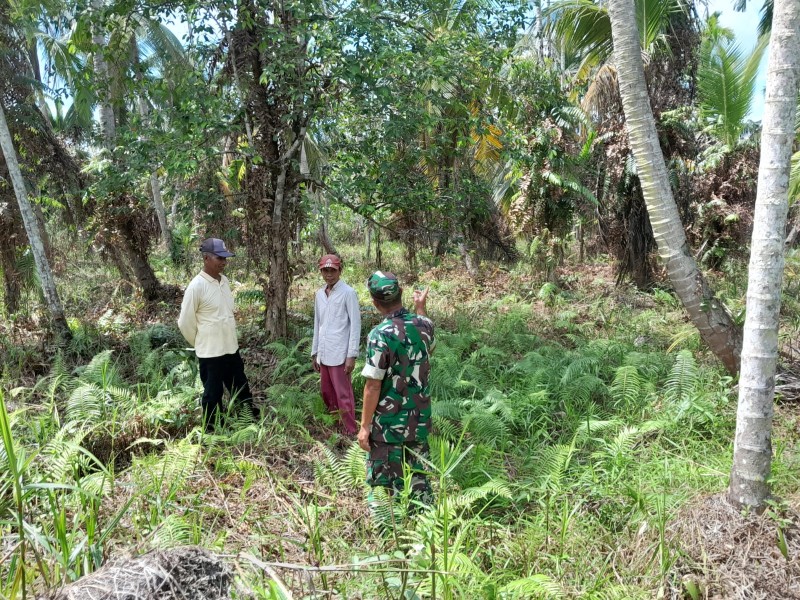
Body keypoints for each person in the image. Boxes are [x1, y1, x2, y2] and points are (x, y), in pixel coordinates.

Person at [359, 271, 435, 499]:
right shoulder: (425, 325)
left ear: (375, 302)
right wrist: (420, 309)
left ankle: (390, 529)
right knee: (419, 481)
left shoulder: (379, 335)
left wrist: (365, 426)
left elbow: (373, 386)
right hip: (419, 419)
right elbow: (428, 347)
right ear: (401, 293)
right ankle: (423, 525)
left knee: (386, 486)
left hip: (388, 425)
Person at [178, 238, 256, 429]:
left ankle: (248, 418)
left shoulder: (225, 281)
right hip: (210, 352)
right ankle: (212, 429)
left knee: (240, 385)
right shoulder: (196, 286)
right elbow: (185, 322)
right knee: (212, 393)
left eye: (225, 258)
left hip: (230, 346)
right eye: (219, 258)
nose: (223, 262)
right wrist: (200, 342)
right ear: (206, 258)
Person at [311, 254, 361, 435]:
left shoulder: (348, 293)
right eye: (325, 270)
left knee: (343, 393)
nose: (329, 274)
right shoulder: (319, 294)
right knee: (327, 391)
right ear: (321, 271)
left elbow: (355, 325)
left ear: (340, 270)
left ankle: (350, 429)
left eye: (332, 270)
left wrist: (351, 355)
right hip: (324, 351)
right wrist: (315, 351)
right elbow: (318, 323)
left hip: (340, 353)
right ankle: (335, 423)